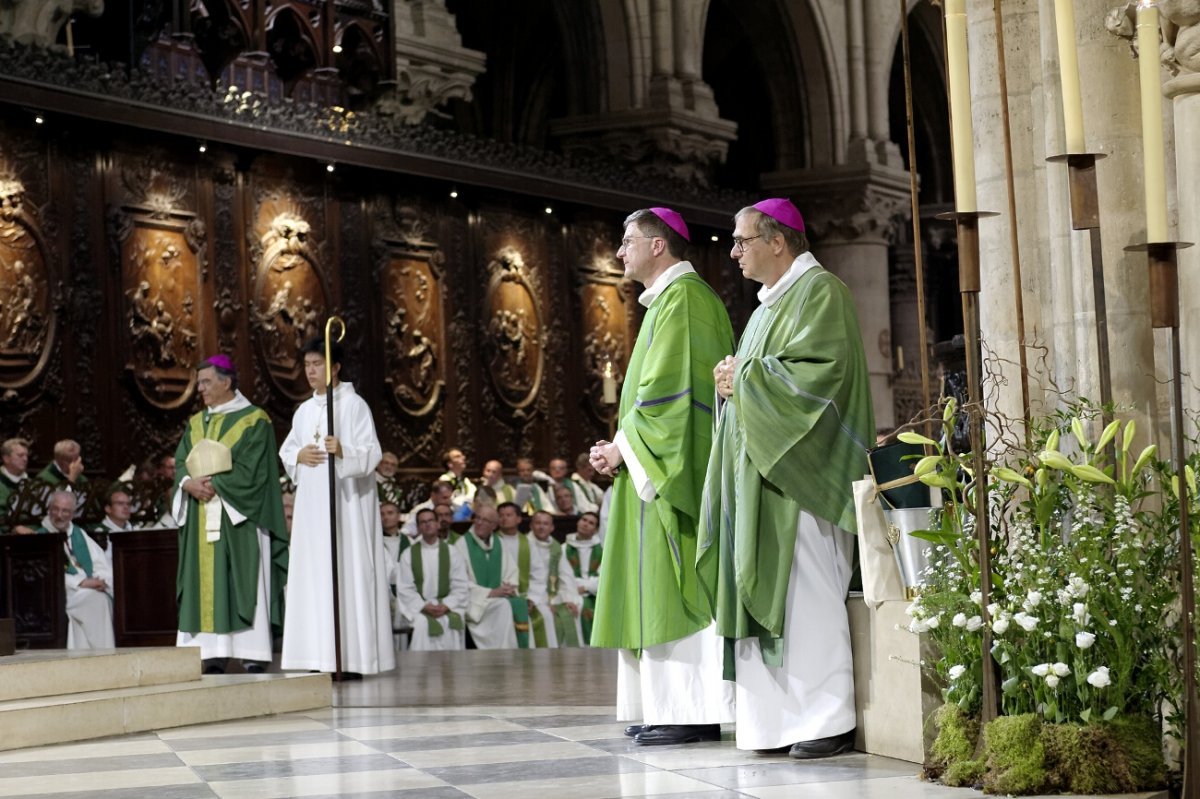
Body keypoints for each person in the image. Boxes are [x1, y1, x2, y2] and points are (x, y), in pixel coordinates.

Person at [698, 198, 873, 758]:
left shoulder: (821, 291)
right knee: (764, 591)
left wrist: (740, 376)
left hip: (801, 475)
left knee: (807, 597)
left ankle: (826, 719)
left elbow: (822, 375)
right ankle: (770, 724)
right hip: (759, 478)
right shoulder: (766, 306)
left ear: (778, 241)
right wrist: (733, 380)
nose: (734, 252)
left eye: (742, 241)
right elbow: (753, 382)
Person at [589, 207, 736, 746]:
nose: (620, 251)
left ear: (658, 246)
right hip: (649, 466)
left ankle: (691, 710)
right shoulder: (666, 304)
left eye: (628, 241)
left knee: (675, 583)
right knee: (653, 585)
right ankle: (667, 706)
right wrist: (620, 449)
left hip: (674, 474)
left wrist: (623, 450)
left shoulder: (687, 301)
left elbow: (671, 401)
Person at [280, 338, 396, 677]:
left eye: (317, 364)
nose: (311, 371)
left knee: (347, 573)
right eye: (307, 365)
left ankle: (351, 657)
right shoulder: (304, 411)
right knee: (316, 576)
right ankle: (318, 656)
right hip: (312, 512)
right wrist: (298, 456)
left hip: (346, 507)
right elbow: (288, 452)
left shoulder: (354, 405)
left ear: (335, 367)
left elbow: (371, 453)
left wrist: (344, 450)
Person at [173, 354, 289, 674]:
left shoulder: (255, 420)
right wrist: (187, 483)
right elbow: (181, 460)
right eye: (200, 384)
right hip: (200, 515)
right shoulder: (196, 423)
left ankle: (251, 651)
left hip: (240, 518)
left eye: (207, 382)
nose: (201, 390)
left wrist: (213, 485)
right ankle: (210, 653)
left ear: (227, 382)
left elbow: (255, 471)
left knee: (243, 578)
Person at [39, 490, 114, 649]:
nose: (59, 515)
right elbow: (46, 575)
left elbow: (101, 563)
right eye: (55, 509)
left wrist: (101, 581)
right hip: (62, 594)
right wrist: (82, 582)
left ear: (73, 513)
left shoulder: (78, 534)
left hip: (86, 591)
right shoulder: (42, 537)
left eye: (65, 511)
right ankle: (104, 654)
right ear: (49, 509)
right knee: (97, 600)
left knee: (99, 597)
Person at [395, 508, 469, 651]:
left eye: (430, 521)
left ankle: (450, 670)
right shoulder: (409, 554)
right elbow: (405, 588)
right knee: (422, 624)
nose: (427, 524)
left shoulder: (452, 552)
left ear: (437, 524)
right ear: (418, 527)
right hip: (419, 608)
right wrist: (424, 606)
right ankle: (421, 670)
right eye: (423, 522)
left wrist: (446, 605)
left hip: (446, 606)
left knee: (450, 621)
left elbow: (460, 585)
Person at [452, 503, 520, 649]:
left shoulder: (499, 544)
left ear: (494, 526)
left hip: (495, 599)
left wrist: (507, 588)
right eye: (477, 518)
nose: (479, 522)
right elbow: (460, 581)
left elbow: (511, 572)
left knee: (507, 604)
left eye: (485, 520)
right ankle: (503, 652)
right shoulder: (462, 544)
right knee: (503, 605)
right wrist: (490, 592)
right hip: (474, 602)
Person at [529, 509, 582, 647]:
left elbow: (566, 575)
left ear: (552, 527)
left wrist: (569, 599)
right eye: (538, 523)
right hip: (533, 596)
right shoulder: (525, 544)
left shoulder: (556, 548)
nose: (541, 527)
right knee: (546, 615)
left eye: (545, 524)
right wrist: (544, 601)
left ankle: (571, 659)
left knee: (572, 610)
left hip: (553, 595)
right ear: (531, 525)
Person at [565, 510, 603, 644]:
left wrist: (585, 587)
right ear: (578, 522)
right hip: (570, 593)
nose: (586, 524)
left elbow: (604, 578)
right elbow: (563, 575)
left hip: (594, 594)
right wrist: (576, 588)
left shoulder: (602, 550)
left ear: (596, 529)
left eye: (591, 523)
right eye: (584, 520)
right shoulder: (565, 548)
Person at [0, 437, 33, 534]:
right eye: (20, 455)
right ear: (6, 458)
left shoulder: (32, 484)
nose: (25, 459)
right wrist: (14, 528)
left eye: (26, 455)